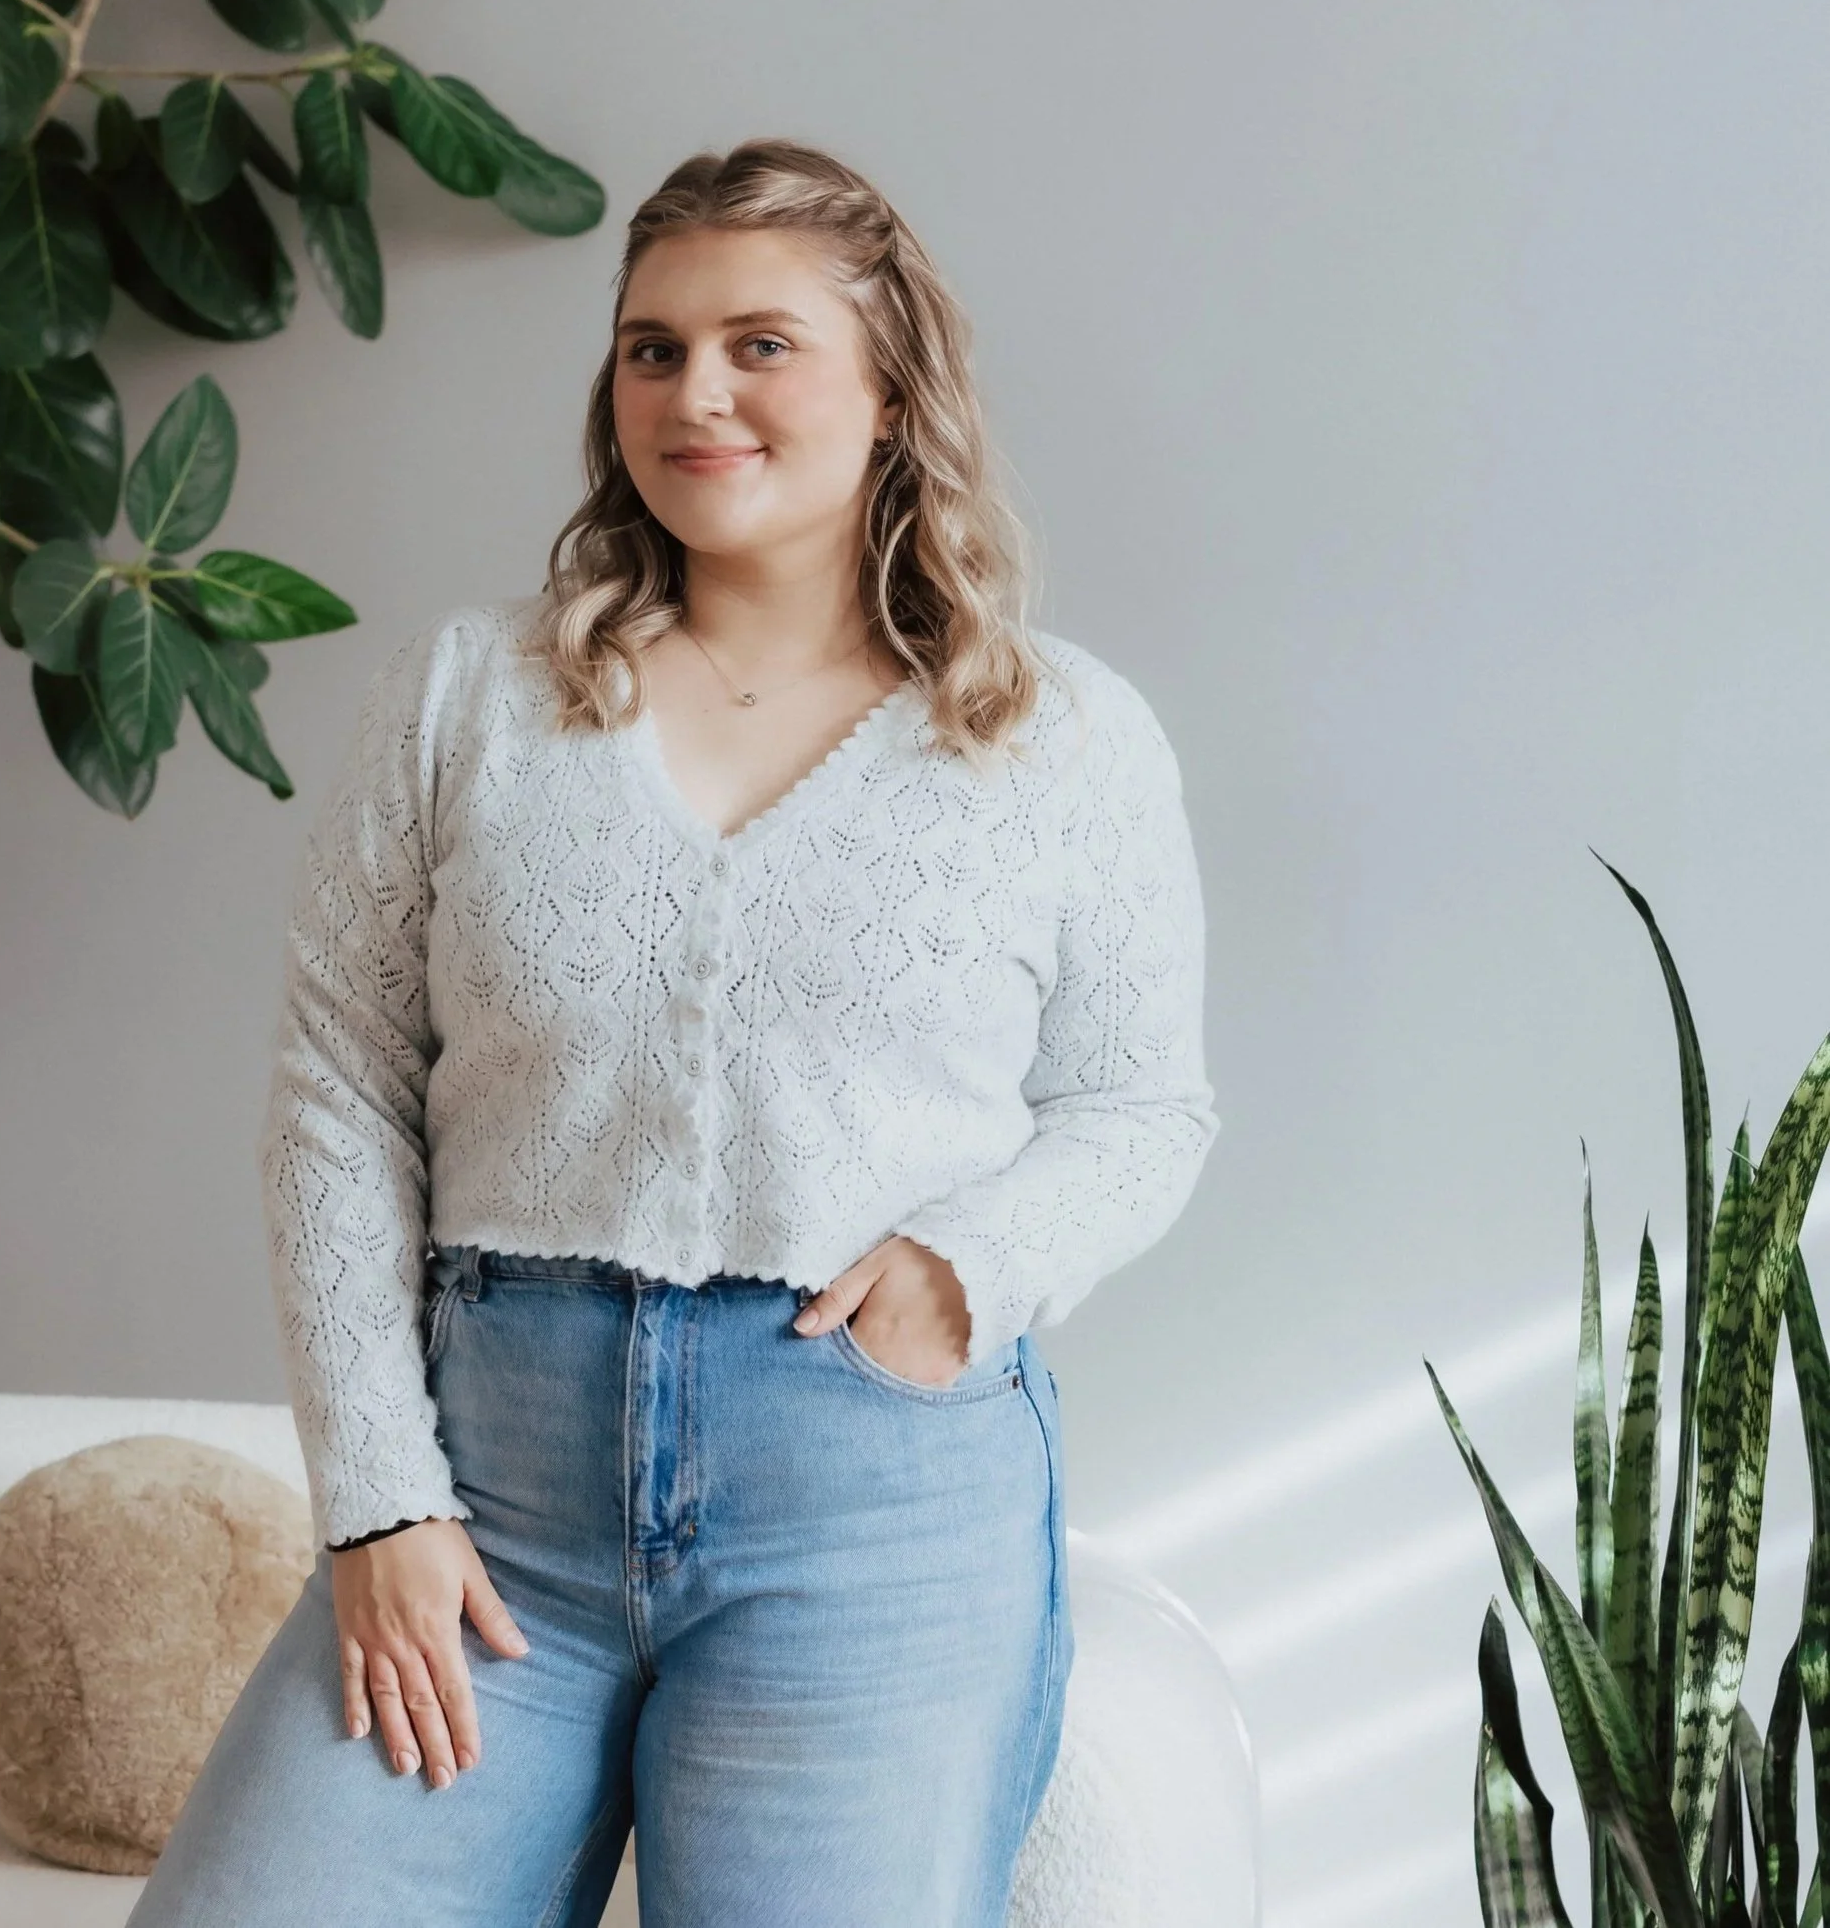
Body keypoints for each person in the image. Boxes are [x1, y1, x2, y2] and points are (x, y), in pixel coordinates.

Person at [127, 137, 1220, 1926]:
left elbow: (1141, 1106)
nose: (694, 393)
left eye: (759, 345)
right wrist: (379, 1499)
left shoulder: (1060, 739)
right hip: (496, 1500)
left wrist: (965, 1270)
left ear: (891, 394)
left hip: (869, 1514)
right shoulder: (470, 696)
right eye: (654, 348)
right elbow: (340, 1089)